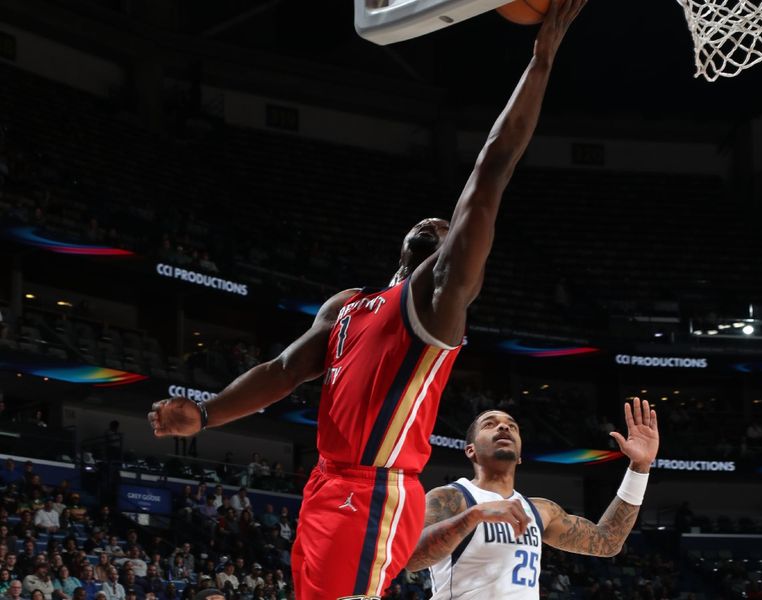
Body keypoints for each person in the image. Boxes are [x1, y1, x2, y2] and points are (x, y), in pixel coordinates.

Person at [147, 1, 587, 596]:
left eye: (448, 231)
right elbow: (282, 370)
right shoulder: (348, 305)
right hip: (327, 483)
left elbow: (492, 169)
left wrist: (540, 61)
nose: (440, 226)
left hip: (378, 488)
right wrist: (206, 412)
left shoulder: (436, 303)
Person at [405, 398, 660, 597]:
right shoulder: (451, 498)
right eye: (490, 424)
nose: (504, 426)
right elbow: (411, 559)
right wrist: (473, 516)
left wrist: (640, 467)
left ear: (519, 455)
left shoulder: (541, 511)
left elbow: (608, 541)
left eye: (512, 426)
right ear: (470, 450)